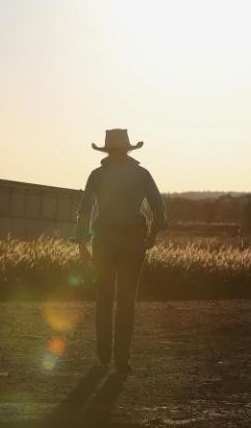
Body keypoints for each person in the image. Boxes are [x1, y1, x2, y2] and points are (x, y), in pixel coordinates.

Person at [74, 129, 167, 374]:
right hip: (132, 242)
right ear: (127, 149)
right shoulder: (141, 174)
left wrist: (82, 243)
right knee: (127, 301)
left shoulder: (97, 175)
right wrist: (152, 236)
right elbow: (159, 209)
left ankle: (104, 352)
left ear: (108, 150)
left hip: (104, 241)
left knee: (104, 297)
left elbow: (84, 211)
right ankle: (121, 358)